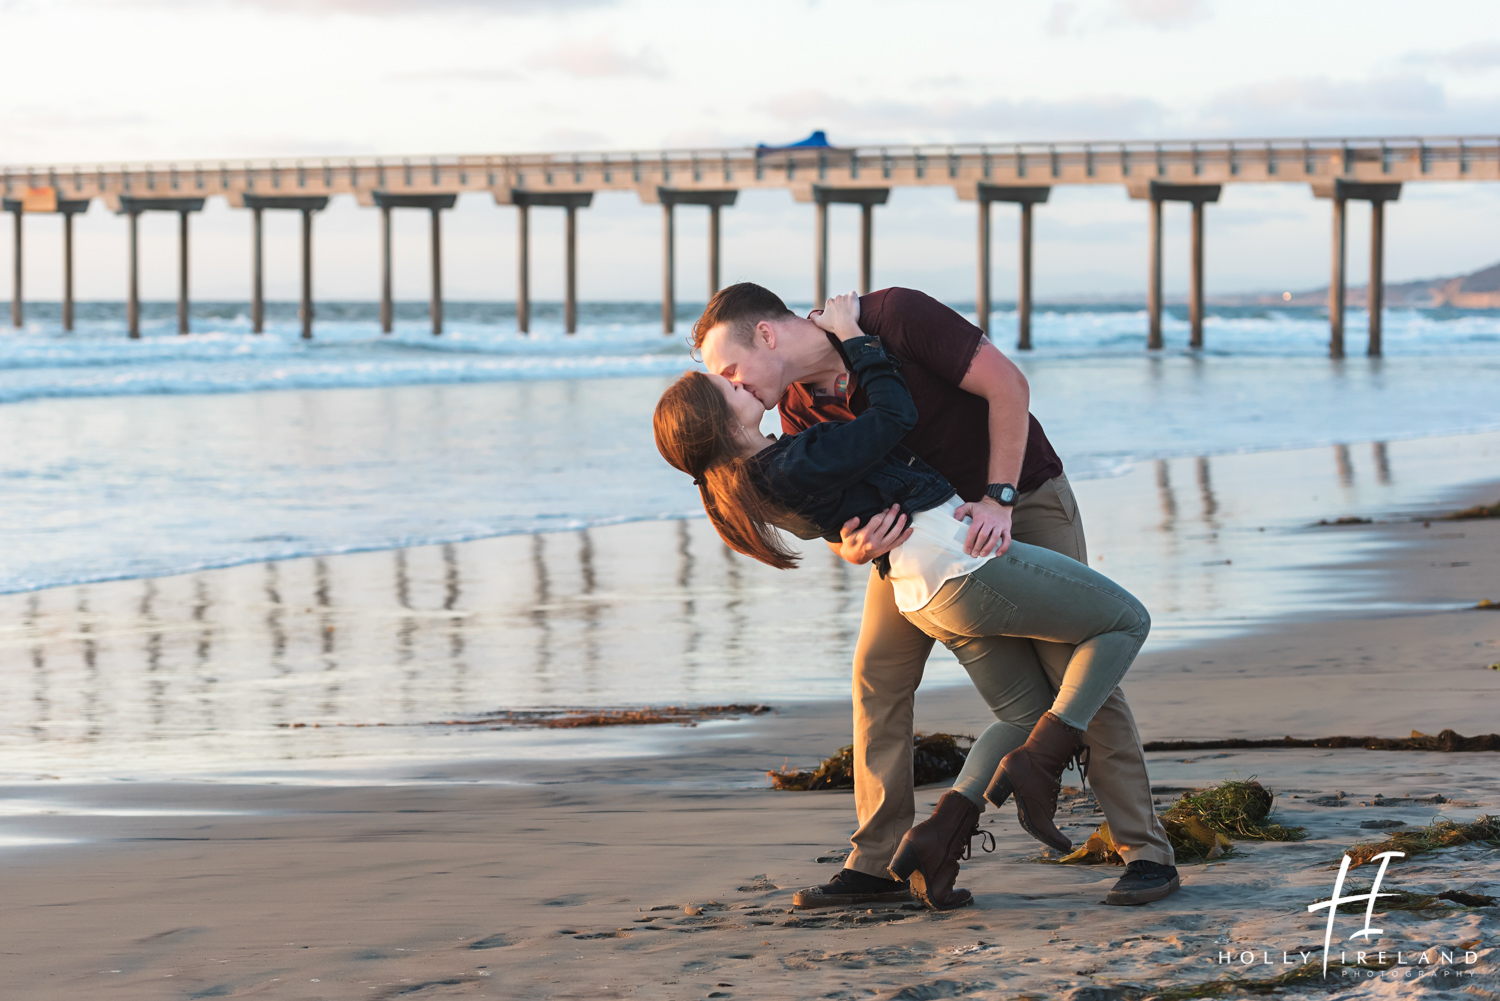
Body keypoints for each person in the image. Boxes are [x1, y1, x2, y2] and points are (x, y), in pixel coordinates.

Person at [655, 292, 1157, 910]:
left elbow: (1009, 388)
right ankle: (875, 865)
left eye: (730, 371)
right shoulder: (794, 408)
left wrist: (998, 500)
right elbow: (830, 500)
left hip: (1018, 500)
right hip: (926, 545)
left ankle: (1144, 853)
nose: (731, 384)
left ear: (766, 335)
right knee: (877, 674)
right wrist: (853, 548)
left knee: (1073, 669)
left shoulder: (893, 317)